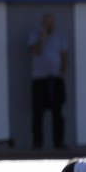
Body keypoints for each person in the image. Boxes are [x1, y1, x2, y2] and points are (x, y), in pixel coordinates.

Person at [28, 12, 69, 149]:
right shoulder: (35, 36)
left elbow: (64, 56)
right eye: (46, 21)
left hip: (55, 79)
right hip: (39, 80)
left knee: (58, 112)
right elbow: (34, 51)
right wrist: (43, 37)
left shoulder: (60, 37)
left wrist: (62, 73)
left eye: (51, 22)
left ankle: (59, 142)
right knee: (38, 112)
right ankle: (37, 142)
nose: (49, 24)